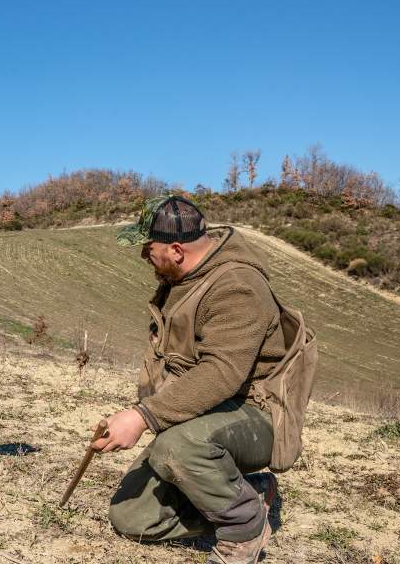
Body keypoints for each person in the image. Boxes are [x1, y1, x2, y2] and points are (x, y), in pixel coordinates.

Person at [94, 194, 315, 564]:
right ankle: (252, 494)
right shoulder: (185, 275)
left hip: (255, 413)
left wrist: (142, 416)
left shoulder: (237, 287)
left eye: (149, 248)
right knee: (131, 516)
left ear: (177, 250)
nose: (144, 256)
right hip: (206, 412)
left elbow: (221, 374)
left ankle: (244, 527)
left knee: (177, 449)